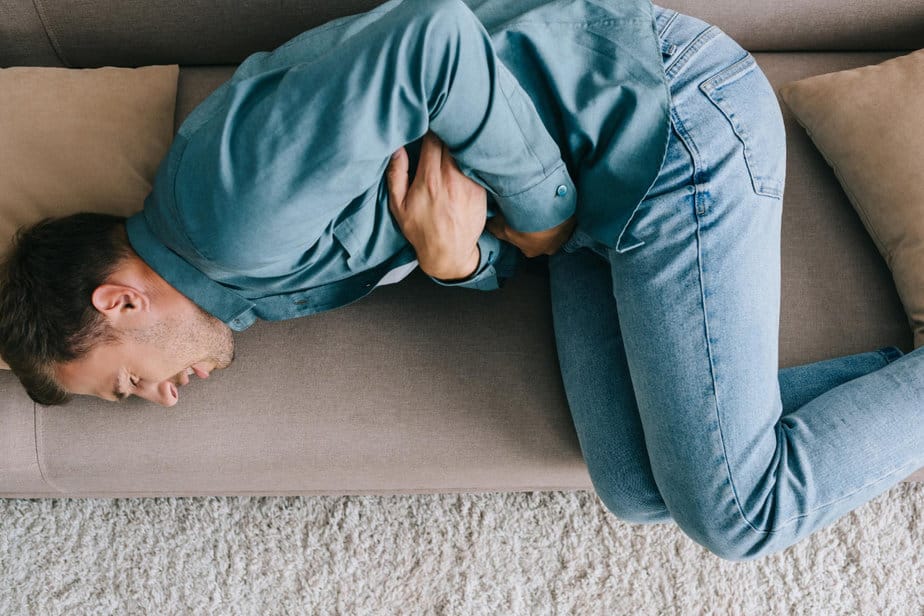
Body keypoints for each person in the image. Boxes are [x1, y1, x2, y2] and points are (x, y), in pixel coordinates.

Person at [0, 0, 920, 560]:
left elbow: (430, 39)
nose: (161, 398)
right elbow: (445, 227)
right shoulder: (238, 283)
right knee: (637, 488)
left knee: (739, 515)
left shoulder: (233, 215)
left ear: (119, 301)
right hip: (592, 205)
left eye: (128, 381)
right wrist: (462, 262)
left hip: (662, 122)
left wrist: (545, 213)